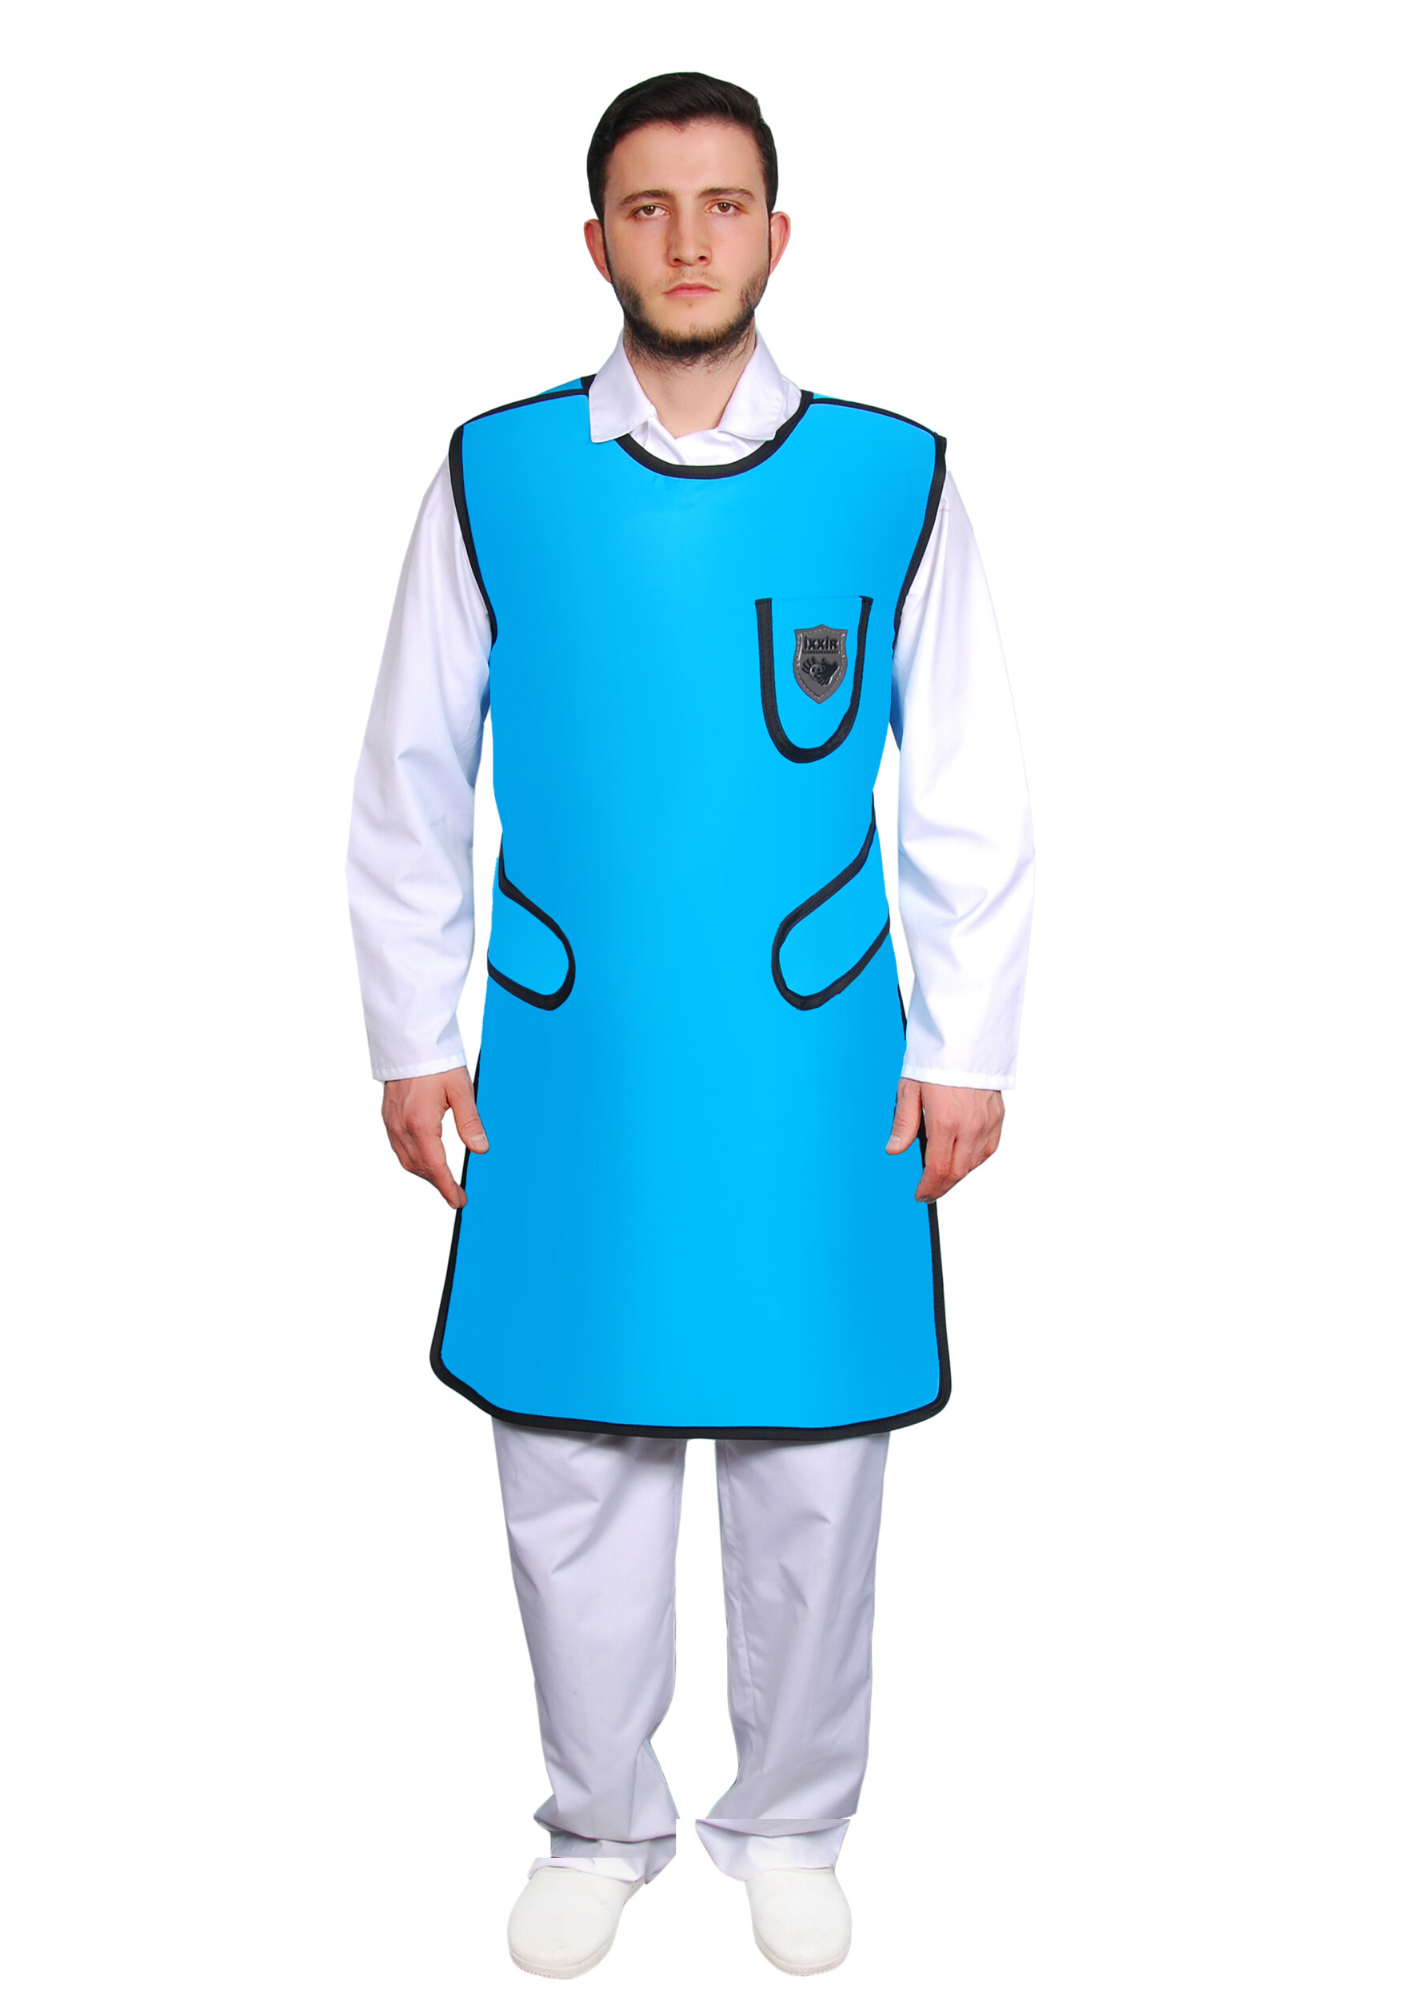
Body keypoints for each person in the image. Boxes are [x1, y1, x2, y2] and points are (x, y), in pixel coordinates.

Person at [347, 71, 1033, 1980]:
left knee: (811, 1466)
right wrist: (410, 1029)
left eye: (722, 204)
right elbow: (410, 773)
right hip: (574, 1052)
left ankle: (792, 1819)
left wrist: (966, 1040)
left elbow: (965, 782)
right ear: (597, 242)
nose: (687, 239)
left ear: (775, 234)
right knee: (573, 1464)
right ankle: (598, 1822)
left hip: (815, 1063)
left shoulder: (889, 477)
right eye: (647, 208)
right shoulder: (495, 475)